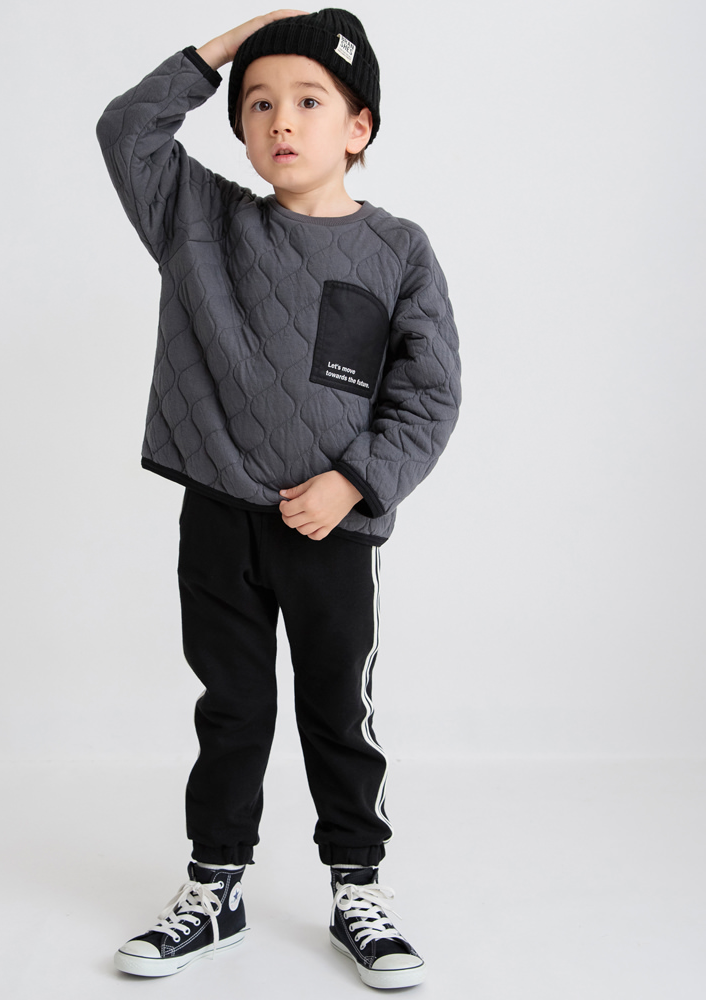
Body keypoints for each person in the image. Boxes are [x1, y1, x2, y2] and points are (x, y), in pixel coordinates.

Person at [96, 8, 461, 989]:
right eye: (258, 104)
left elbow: (428, 394)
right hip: (219, 516)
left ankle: (358, 887)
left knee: (337, 709)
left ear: (358, 126)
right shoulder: (198, 221)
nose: (280, 120)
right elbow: (124, 129)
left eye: (308, 100)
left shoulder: (398, 250)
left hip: (333, 530)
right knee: (232, 708)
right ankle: (215, 887)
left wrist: (356, 482)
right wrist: (223, 48)